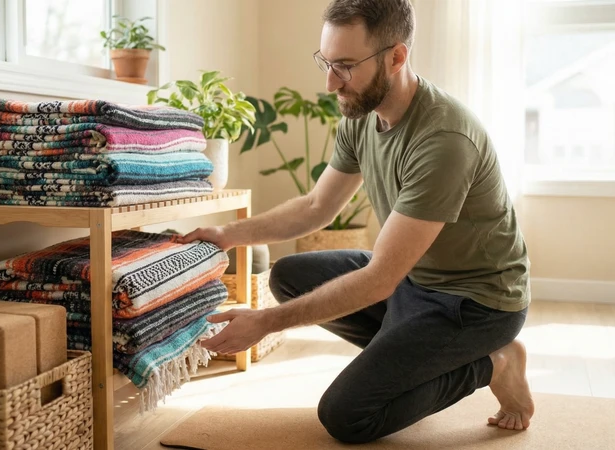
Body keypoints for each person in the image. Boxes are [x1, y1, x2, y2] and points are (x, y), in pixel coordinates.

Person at [177, 0, 534, 443]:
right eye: (326, 63)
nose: (330, 83)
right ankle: (414, 357)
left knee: (347, 416)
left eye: (344, 66)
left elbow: (380, 278)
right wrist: (228, 235)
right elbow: (315, 207)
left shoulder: (444, 139)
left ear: (396, 57)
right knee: (289, 275)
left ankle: (494, 362)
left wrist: (266, 323)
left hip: (476, 304)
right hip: (413, 283)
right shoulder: (363, 114)